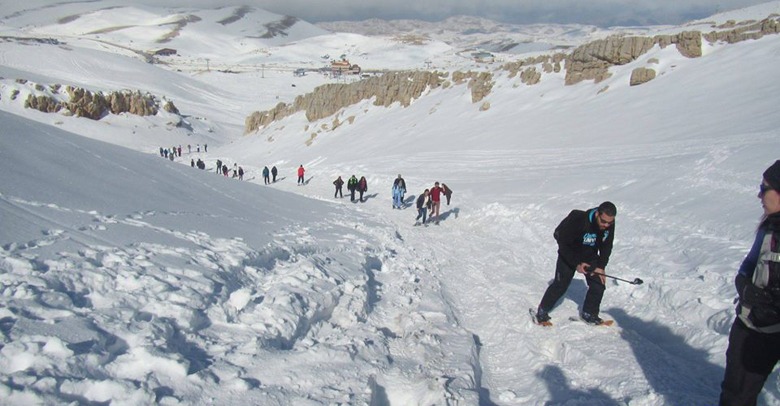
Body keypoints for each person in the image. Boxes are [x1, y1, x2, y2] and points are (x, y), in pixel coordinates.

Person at [720, 160, 780, 406]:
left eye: (764, 188)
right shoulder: (768, 228)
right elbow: (749, 264)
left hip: (771, 329)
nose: (759, 194)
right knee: (736, 392)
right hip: (750, 325)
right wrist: (744, 285)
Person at [535, 201, 617, 325]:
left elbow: (607, 246)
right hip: (569, 253)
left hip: (589, 254)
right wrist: (577, 264)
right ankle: (542, 311)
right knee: (560, 285)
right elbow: (563, 244)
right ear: (597, 215)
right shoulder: (579, 220)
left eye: (609, 222)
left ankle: (589, 313)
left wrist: (601, 266)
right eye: (603, 221)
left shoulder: (609, 223)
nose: (606, 225)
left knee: (598, 284)